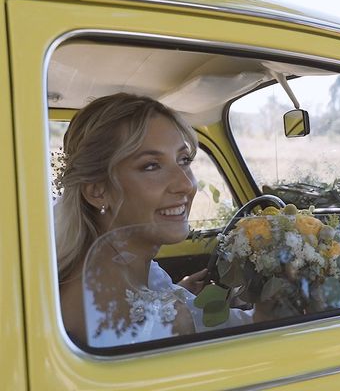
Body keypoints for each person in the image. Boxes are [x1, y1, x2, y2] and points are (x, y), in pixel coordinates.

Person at [56, 93, 249, 348]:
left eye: (184, 160)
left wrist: (181, 292)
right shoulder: (149, 321)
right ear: (97, 191)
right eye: (151, 166)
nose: (186, 184)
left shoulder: (117, 265)